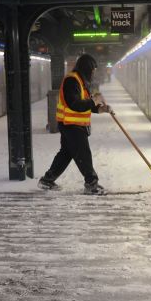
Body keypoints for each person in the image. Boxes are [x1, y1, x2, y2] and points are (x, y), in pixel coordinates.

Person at [38, 54, 111, 195]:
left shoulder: (80, 81)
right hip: (71, 125)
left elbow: (85, 103)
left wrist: (100, 109)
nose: (93, 73)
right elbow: (74, 104)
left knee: (66, 154)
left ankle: (47, 180)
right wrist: (95, 100)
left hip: (72, 124)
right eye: (93, 70)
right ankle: (91, 184)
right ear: (87, 68)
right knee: (83, 154)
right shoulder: (72, 80)